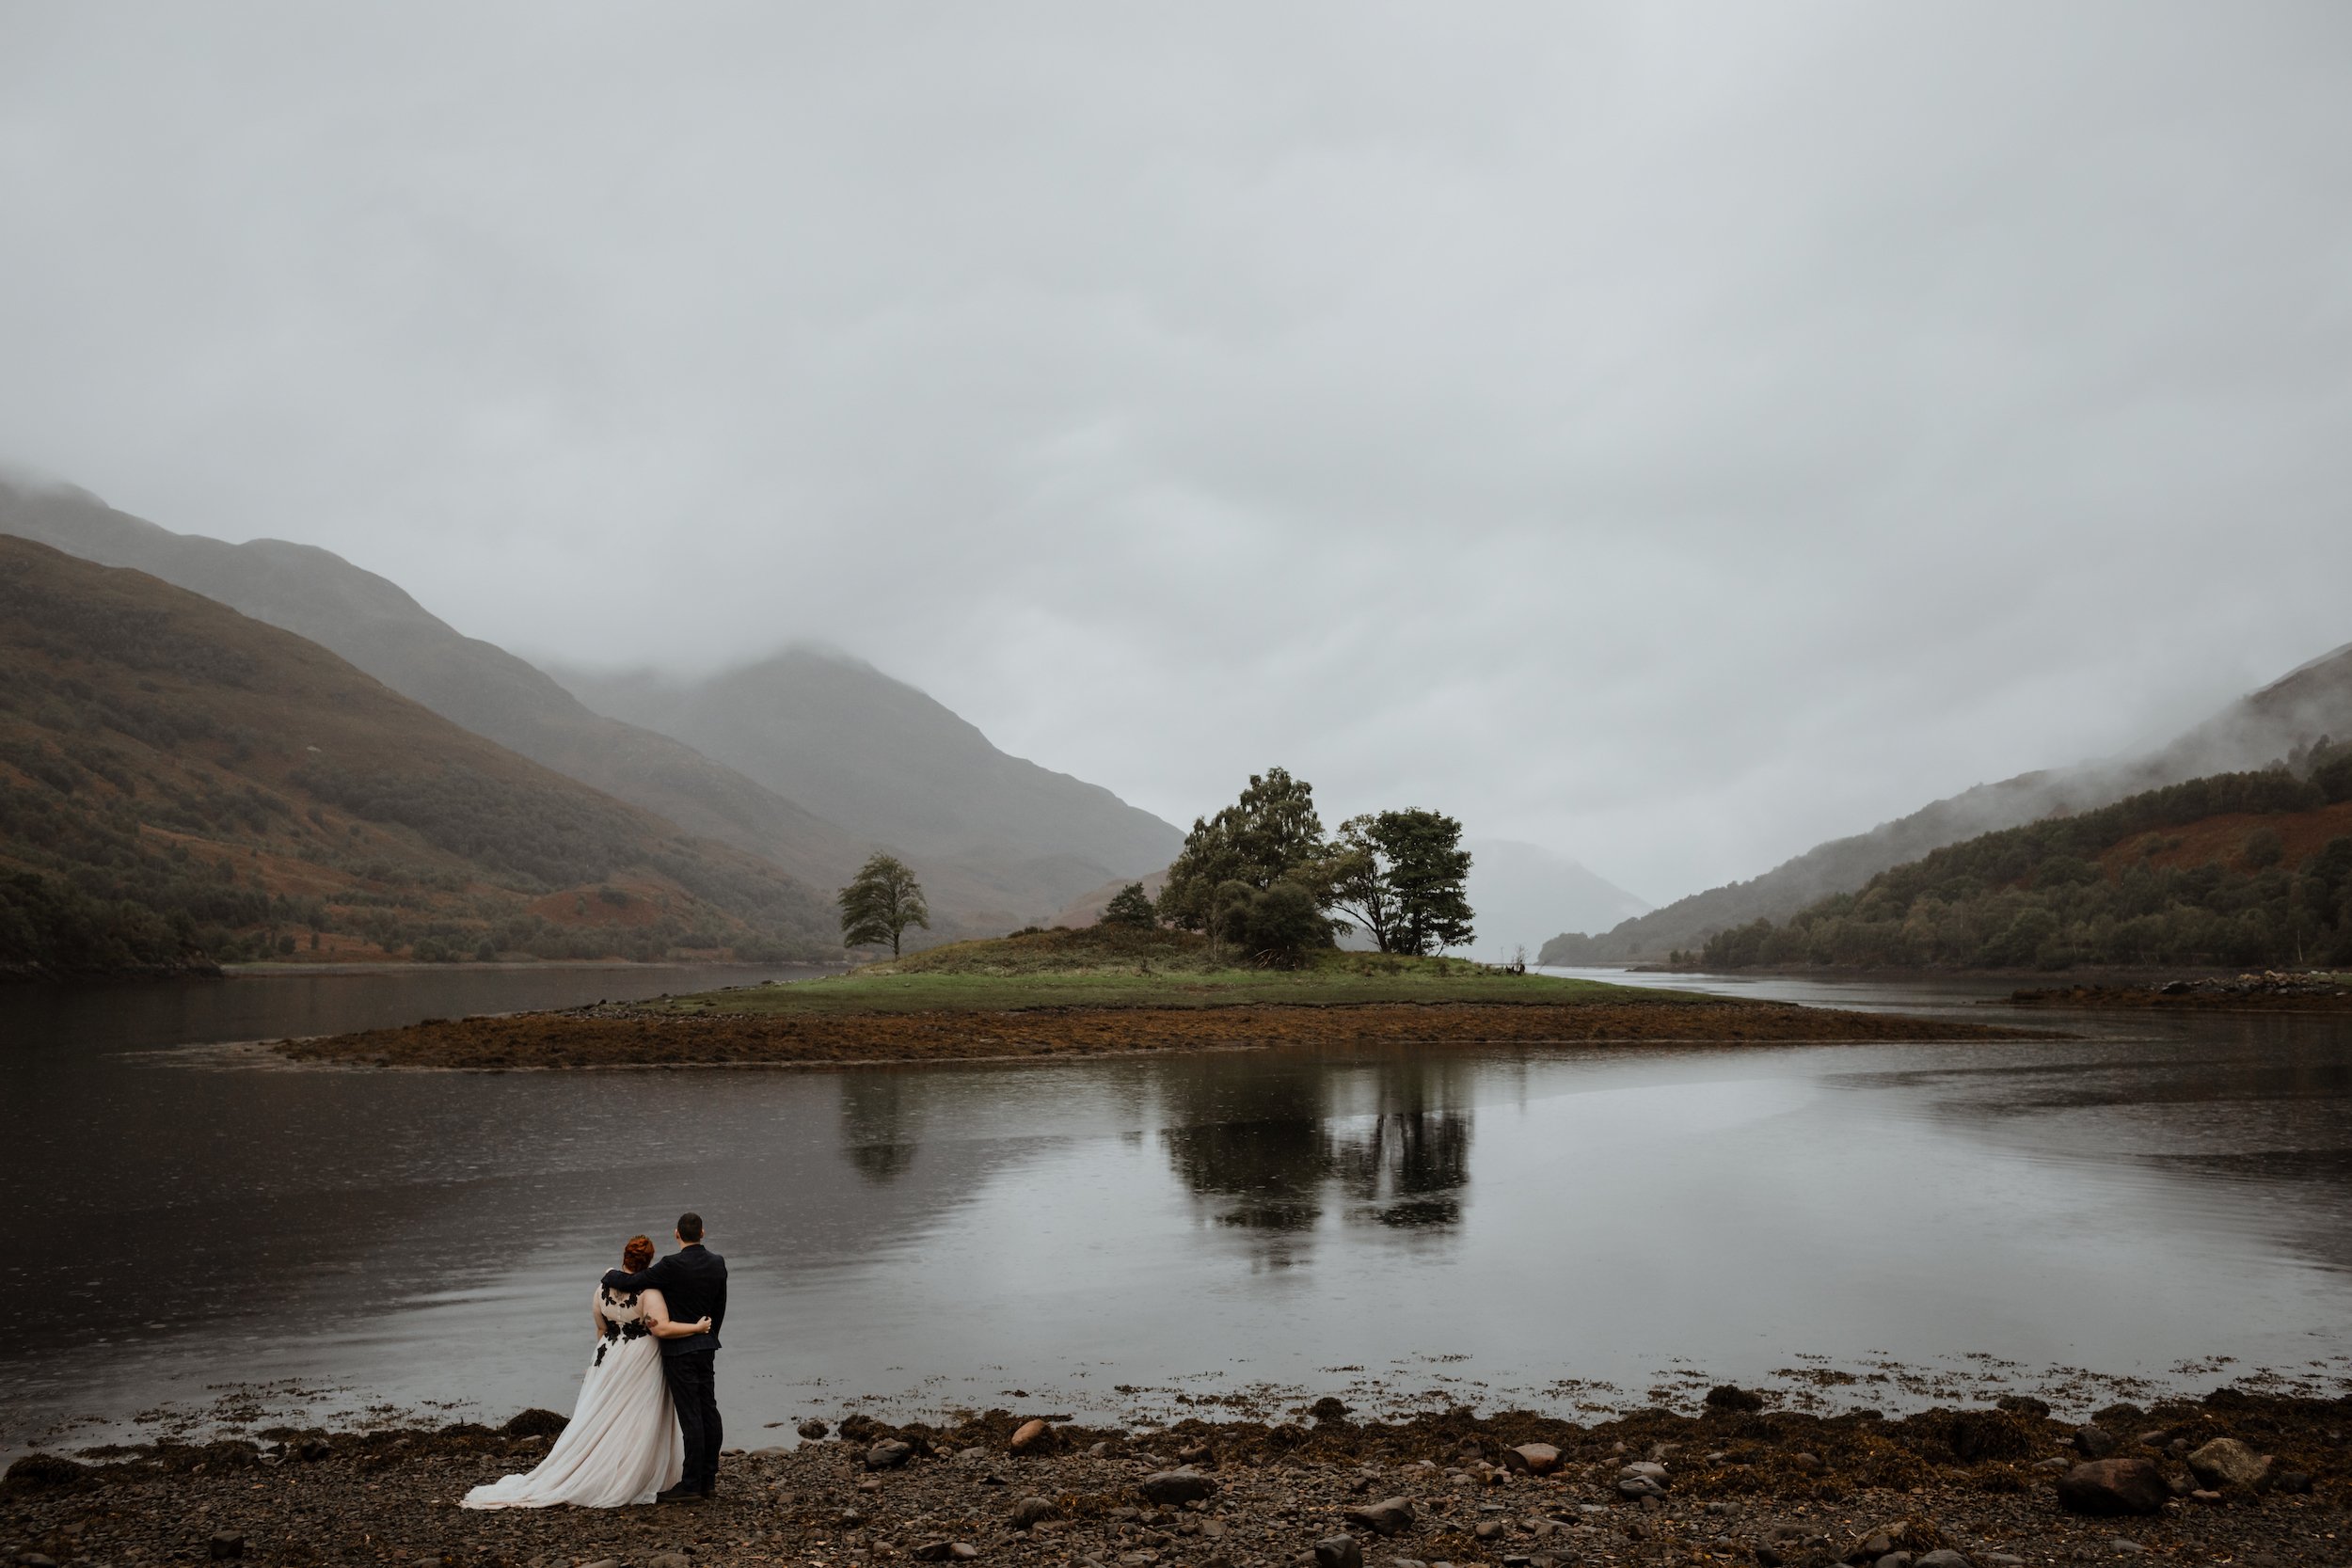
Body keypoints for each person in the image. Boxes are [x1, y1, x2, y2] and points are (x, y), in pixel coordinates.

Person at [460, 1234, 711, 1509]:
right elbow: (660, 1328)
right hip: (641, 1357)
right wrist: (696, 1328)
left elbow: (601, 1327)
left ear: (624, 1257)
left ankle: (602, 1464)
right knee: (637, 1416)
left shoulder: (603, 1288)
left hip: (608, 1354)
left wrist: (609, 1354)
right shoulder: (649, 1293)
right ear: (649, 1261)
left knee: (601, 1413)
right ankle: (631, 1473)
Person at [602, 1212, 728, 1502]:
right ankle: (708, 1480)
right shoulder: (717, 1263)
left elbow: (635, 1282)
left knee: (691, 1416)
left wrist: (609, 1275)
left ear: (676, 1234)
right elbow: (719, 1305)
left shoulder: (671, 1265)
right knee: (709, 1409)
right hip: (706, 1345)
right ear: (703, 1233)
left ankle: (691, 1484)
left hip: (679, 1350)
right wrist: (710, 1336)